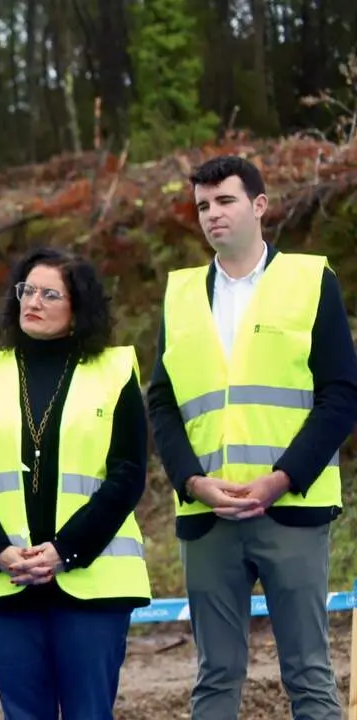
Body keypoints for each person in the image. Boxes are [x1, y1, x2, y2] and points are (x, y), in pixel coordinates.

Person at [147, 155, 357, 719]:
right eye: (202, 206)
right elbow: (162, 401)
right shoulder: (182, 294)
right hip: (208, 516)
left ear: (259, 205)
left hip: (291, 508)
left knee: (309, 673)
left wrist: (282, 478)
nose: (212, 215)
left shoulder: (311, 281)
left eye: (225, 201)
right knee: (215, 677)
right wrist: (192, 481)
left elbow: (341, 394)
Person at [0, 246, 152, 719]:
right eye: (26, 290)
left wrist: (66, 550)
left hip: (91, 583)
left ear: (78, 308)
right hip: (6, 580)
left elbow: (127, 475)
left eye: (49, 294)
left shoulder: (115, 370)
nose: (32, 302)